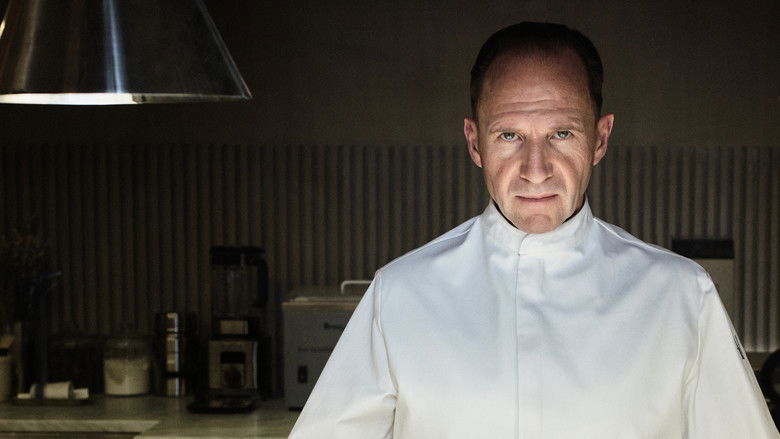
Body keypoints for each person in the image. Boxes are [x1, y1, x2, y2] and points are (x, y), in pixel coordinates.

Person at [288, 22, 779, 438]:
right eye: (509, 136)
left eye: (561, 133)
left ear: (600, 138)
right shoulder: (400, 295)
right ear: (474, 143)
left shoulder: (680, 295)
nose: (535, 169)